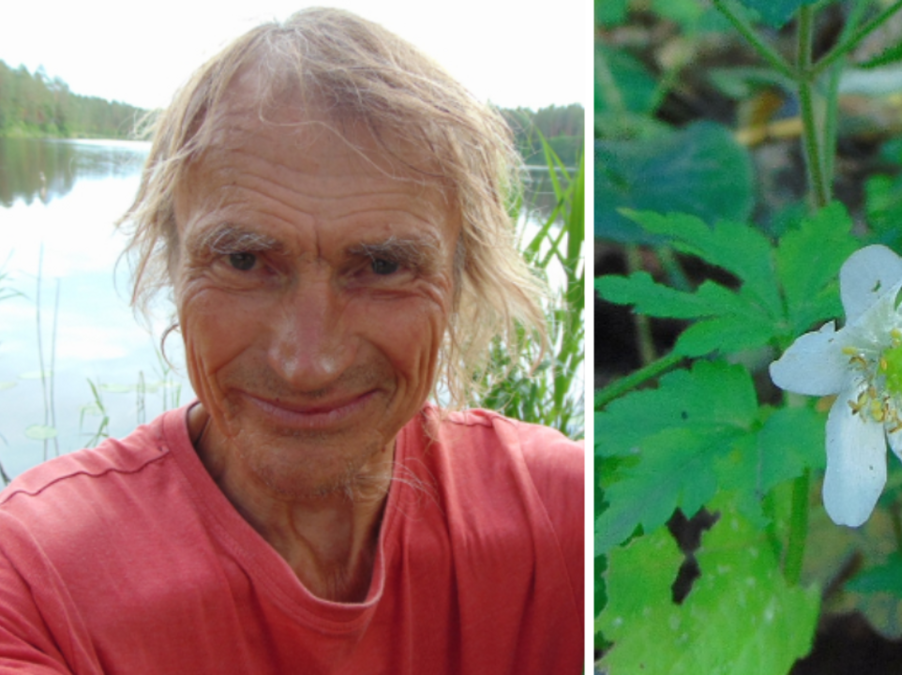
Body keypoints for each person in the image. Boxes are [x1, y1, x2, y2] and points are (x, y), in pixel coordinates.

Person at [0, 8, 583, 674]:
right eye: (245, 260)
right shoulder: (34, 579)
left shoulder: (565, 514)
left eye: (383, 266)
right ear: (173, 263)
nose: (309, 362)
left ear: (460, 279)